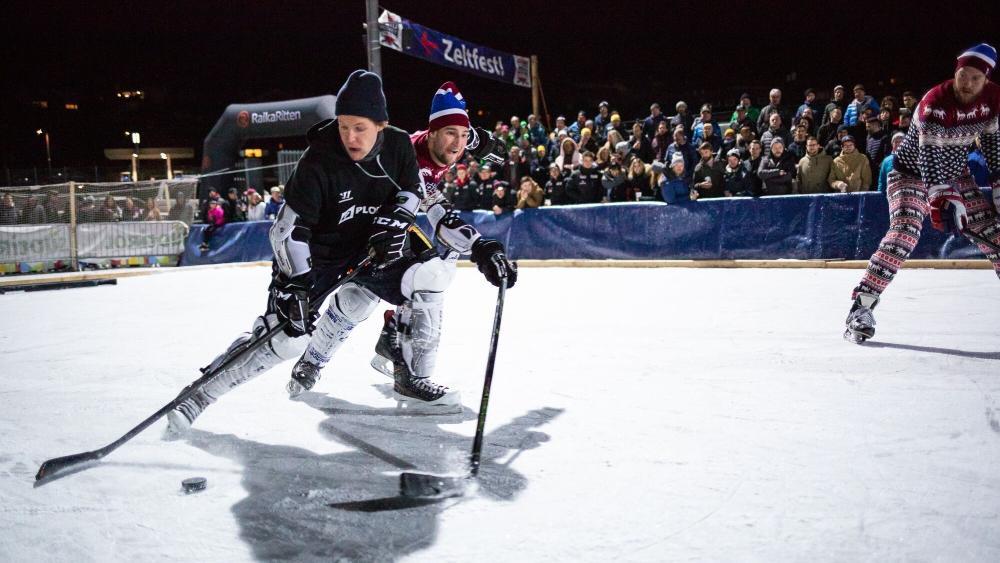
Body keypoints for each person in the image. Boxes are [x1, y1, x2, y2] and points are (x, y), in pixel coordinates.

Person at [166, 70, 516, 437]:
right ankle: (199, 396)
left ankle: (410, 371)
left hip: (370, 244)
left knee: (431, 274)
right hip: (316, 256)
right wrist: (296, 286)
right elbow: (287, 229)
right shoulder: (318, 162)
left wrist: (419, 228)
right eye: (344, 126)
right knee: (286, 339)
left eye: (361, 128)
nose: (350, 137)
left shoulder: (399, 147)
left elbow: (415, 191)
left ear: (381, 126)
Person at [845, 44, 1000, 342]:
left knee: (994, 232)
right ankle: (861, 307)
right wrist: (941, 197)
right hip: (911, 174)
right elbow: (928, 157)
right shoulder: (934, 102)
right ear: (956, 71)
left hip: (957, 173)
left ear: (987, 81)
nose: (967, 84)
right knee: (906, 232)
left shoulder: (994, 99)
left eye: (975, 79)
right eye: (963, 75)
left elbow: (993, 146)